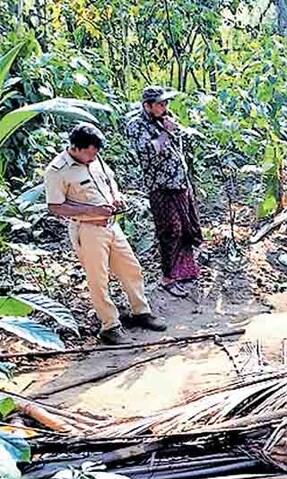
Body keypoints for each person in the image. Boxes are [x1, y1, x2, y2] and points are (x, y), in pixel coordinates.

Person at [44, 124, 166, 345]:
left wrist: (116, 197)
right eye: (89, 153)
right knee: (98, 279)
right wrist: (91, 211)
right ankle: (110, 326)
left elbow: (110, 182)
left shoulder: (95, 159)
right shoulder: (58, 170)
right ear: (75, 148)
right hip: (87, 230)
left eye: (95, 152)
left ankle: (141, 312)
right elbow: (55, 207)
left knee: (131, 268)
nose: (93, 157)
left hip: (111, 225)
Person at [123, 86, 203, 298]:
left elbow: (180, 143)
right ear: (147, 106)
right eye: (160, 104)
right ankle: (167, 278)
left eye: (165, 103)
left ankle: (184, 271)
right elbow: (147, 153)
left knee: (187, 228)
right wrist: (166, 132)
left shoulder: (165, 119)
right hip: (161, 186)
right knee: (170, 231)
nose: (164, 107)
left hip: (179, 181)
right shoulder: (136, 125)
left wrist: (174, 129)